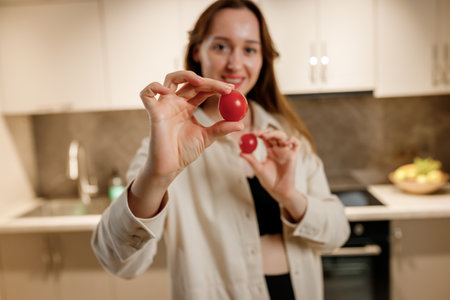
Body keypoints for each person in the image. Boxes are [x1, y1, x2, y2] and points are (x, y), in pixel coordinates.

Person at [91, 1, 350, 299]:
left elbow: (337, 235)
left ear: (263, 59)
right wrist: (157, 177)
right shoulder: (164, 147)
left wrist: (291, 198)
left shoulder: (288, 136)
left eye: (250, 49)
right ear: (198, 50)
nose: (235, 64)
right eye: (221, 47)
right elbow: (117, 262)